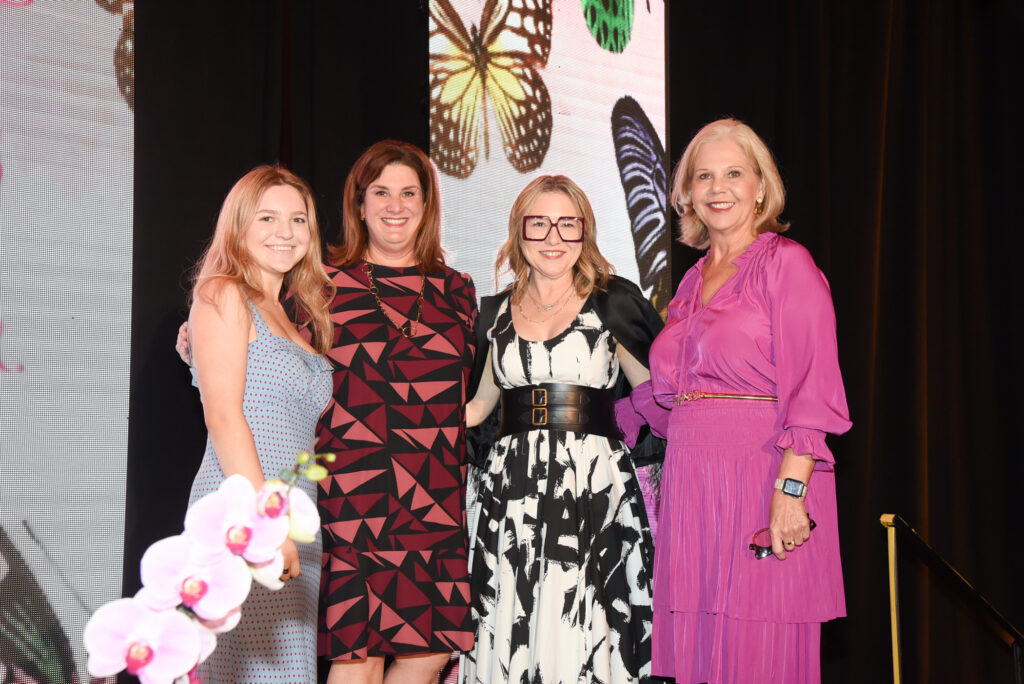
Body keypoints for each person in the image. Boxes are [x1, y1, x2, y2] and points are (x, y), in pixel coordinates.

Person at [618, 118, 852, 683]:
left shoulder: (786, 263)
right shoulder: (691, 282)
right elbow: (675, 398)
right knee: (700, 652)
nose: (718, 187)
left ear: (760, 188)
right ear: (687, 194)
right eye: (704, 176)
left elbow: (812, 386)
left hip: (762, 474)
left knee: (758, 647)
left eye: (733, 173)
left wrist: (791, 491)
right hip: (692, 485)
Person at [461, 175, 663, 684]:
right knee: (513, 620)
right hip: (510, 501)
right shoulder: (493, 313)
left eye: (567, 224)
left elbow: (659, 400)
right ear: (518, 232)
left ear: (585, 233)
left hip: (594, 491)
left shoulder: (613, 302)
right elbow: (476, 409)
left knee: (590, 620)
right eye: (539, 223)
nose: (553, 237)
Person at [316, 141, 477, 684]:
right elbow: (265, 342)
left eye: (410, 192)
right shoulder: (321, 285)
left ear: (427, 204)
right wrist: (197, 333)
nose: (396, 205)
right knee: (357, 654)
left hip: (435, 492)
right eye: (381, 192)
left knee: (431, 653)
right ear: (359, 204)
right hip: (355, 490)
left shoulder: (458, 291)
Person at [186, 165, 335, 681]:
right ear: (239, 226)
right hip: (243, 512)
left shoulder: (293, 315)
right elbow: (224, 416)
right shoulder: (223, 294)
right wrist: (264, 523)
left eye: (298, 219)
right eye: (268, 217)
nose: (285, 232)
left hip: (292, 517)